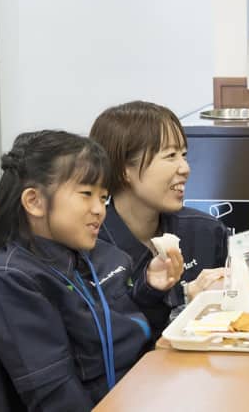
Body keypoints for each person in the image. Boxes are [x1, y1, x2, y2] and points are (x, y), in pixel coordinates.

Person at [0, 130, 184, 410]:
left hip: (147, 392)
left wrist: (150, 290)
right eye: (86, 194)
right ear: (34, 202)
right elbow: (57, 396)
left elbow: (135, 336)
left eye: (103, 197)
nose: (99, 210)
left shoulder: (100, 255)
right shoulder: (12, 278)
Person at [90, 101, 229, 331]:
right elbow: (112, 340)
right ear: (124, 168)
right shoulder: (93, 247)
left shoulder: (205, 231)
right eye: (171, 155)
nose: (185, 168)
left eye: (184, 154)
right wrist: (188, 302)